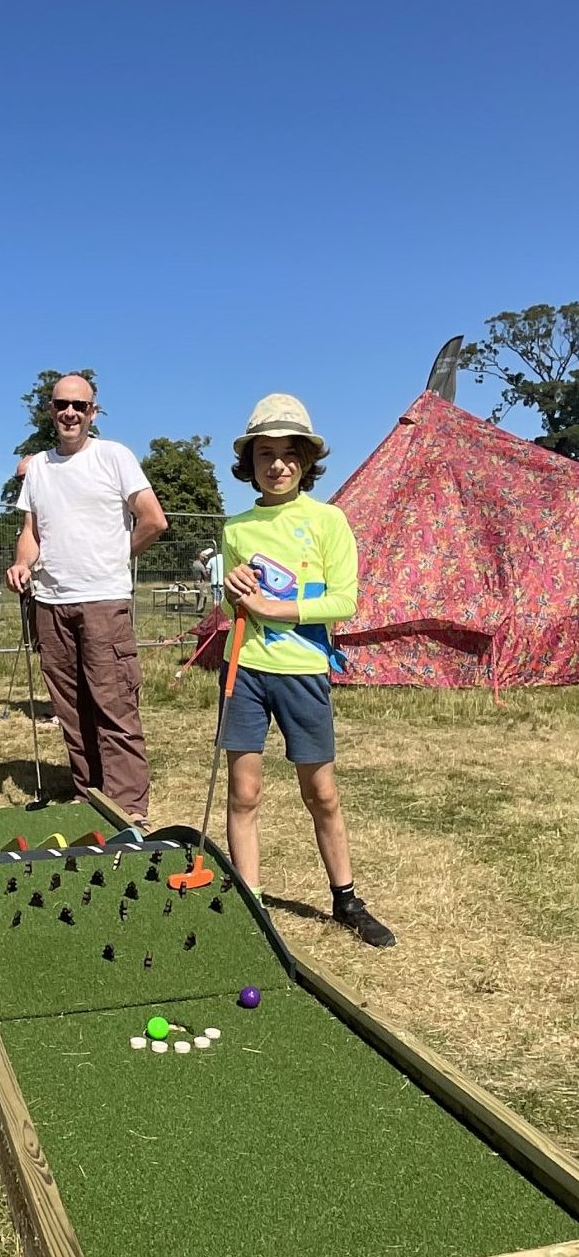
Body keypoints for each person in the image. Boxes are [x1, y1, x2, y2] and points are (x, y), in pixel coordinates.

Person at [219, 393, 395, 947]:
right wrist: (230, 590)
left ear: (306, 460)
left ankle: (346, 900)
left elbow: (344, 601)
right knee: (244, 793)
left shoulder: (328, 520)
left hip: (302, 672)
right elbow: (232, 608)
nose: (277, 465)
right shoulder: (235, 528)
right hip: (244, 670)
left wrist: (278, 610)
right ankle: (250, 904)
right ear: (249, 461)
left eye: (289, 453)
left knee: (321, 793)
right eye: (265, 453)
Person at [6, 373, 168, 820]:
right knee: (71, 707)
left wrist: (115, 556)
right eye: (62, 404)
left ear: (93, 412)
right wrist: (22, 563)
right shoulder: (38, 468)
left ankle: (129, 808)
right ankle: (89, 794)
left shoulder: (114, 456)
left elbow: (153, 520)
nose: (70, 413)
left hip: (103, 601)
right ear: (50, 410)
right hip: (49, 603)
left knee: (113, 703)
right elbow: (31, 532)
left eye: (79, 405)